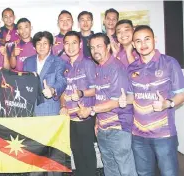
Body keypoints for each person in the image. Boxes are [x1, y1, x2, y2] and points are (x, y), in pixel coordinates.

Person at [122, 25, 184, 176]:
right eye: (138, 41)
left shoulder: (169, 63)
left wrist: (167, 104)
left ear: (155, 40)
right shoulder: (132, 68)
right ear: (134, 45)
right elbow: (132, 96)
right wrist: (124, 100)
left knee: (169, 173)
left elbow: (181, 95)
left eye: (147, 39)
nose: (143, 44)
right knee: (144, 173)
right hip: (138, 135)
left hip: (163, 135)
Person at [78, 33, 137, 176]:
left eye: (99, 46)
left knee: (125, 170)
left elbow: (116, 101)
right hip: (103, 128)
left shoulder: (116, 68)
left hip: (118, 128)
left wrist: (90, 110)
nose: (95, 51)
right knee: (110, 168)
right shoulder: (98, 67)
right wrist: (97, 121)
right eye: (92, 48)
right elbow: (100, 96)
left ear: (108, 47)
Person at [23, 31, 66, 176]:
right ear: (34, 46)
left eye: (45, 43)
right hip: (32, 114)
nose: (42, 46)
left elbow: (62, 81)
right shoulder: (27, 62)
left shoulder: (58, 62)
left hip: (51, 113)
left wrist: (53, 90)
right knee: (35, 157)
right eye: (38, 43)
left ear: (51, 46)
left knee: (53, 158)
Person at [60, 31, 97, 176]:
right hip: (69, 119)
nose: (70, 46)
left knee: (87, 154)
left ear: (80, 44)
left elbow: (96, 89)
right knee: (76, 154)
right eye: (67, 43)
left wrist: (81, 93)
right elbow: (62, 90)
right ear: (63, 46)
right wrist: (63, 105)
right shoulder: (63, 65)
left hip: (84, 117)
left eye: (74, 43)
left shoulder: (88, 63)